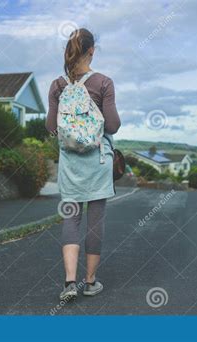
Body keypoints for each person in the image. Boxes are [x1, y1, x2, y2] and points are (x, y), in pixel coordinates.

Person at [45, 28, 121, 301]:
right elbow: (112, 125)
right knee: (94, 222)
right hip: (98, 162)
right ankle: (90, 282)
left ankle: (68, 282)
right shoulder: (103, 82)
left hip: (70, 164)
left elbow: (51, 127)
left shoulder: (57, 85)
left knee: (71, 219)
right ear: (92, 50)